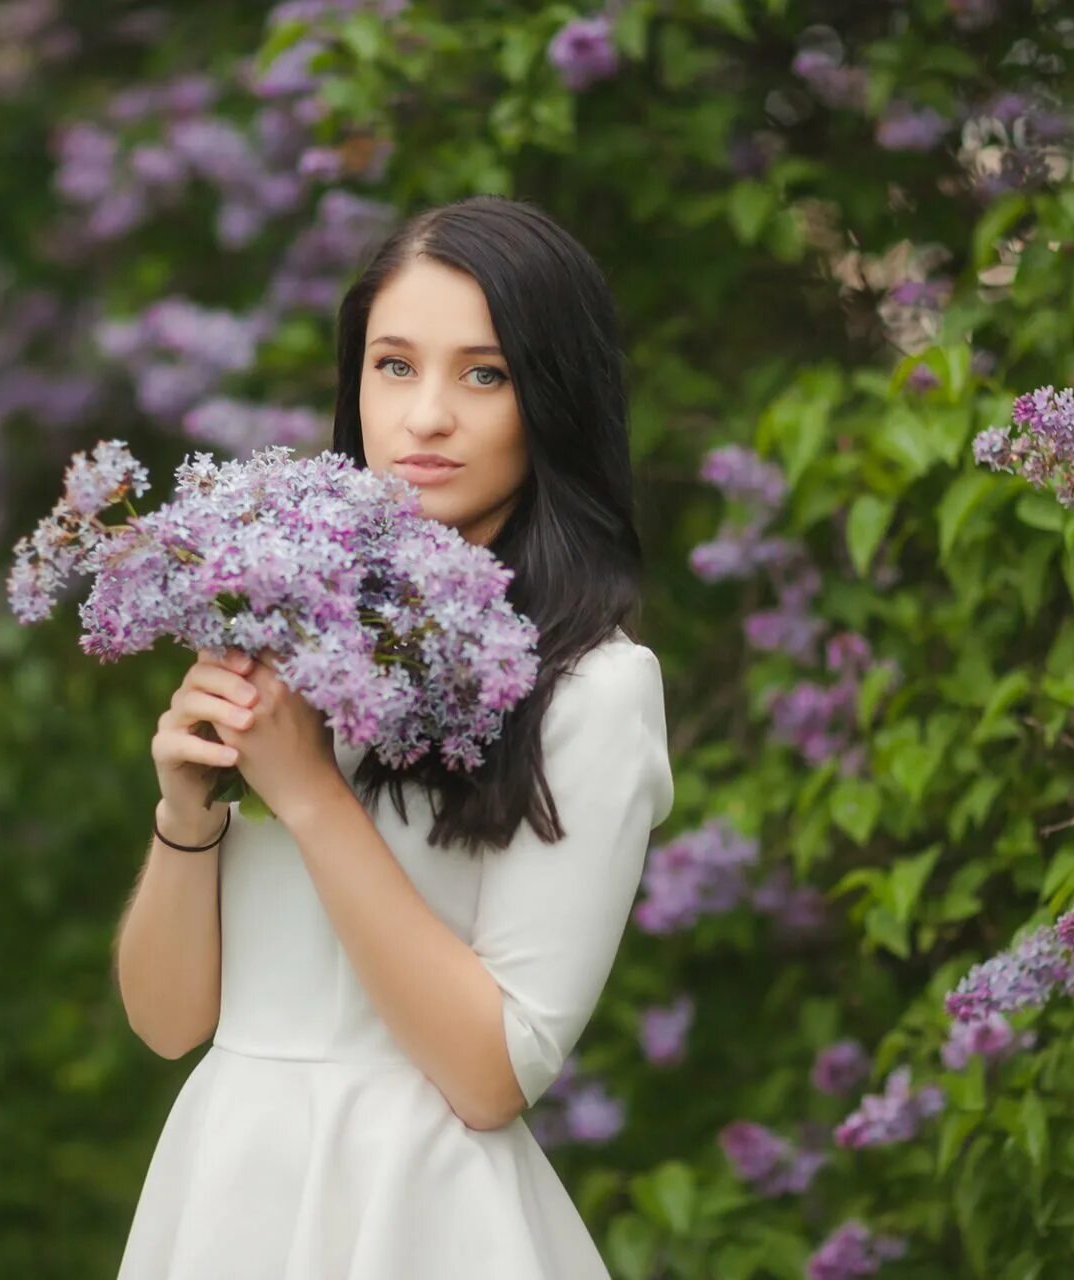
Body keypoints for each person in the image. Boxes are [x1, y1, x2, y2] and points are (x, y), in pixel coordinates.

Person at [112, 194, 674, 1278]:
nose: (424, 418)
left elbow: (491, 1072)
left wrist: (311, 794)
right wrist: (186, 813)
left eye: (484, 373)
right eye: (393, 365)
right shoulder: (288, 629)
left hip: (418, 1213)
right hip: (229, 1189)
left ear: (550, 398)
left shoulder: (595, 688)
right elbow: (169, 1021)